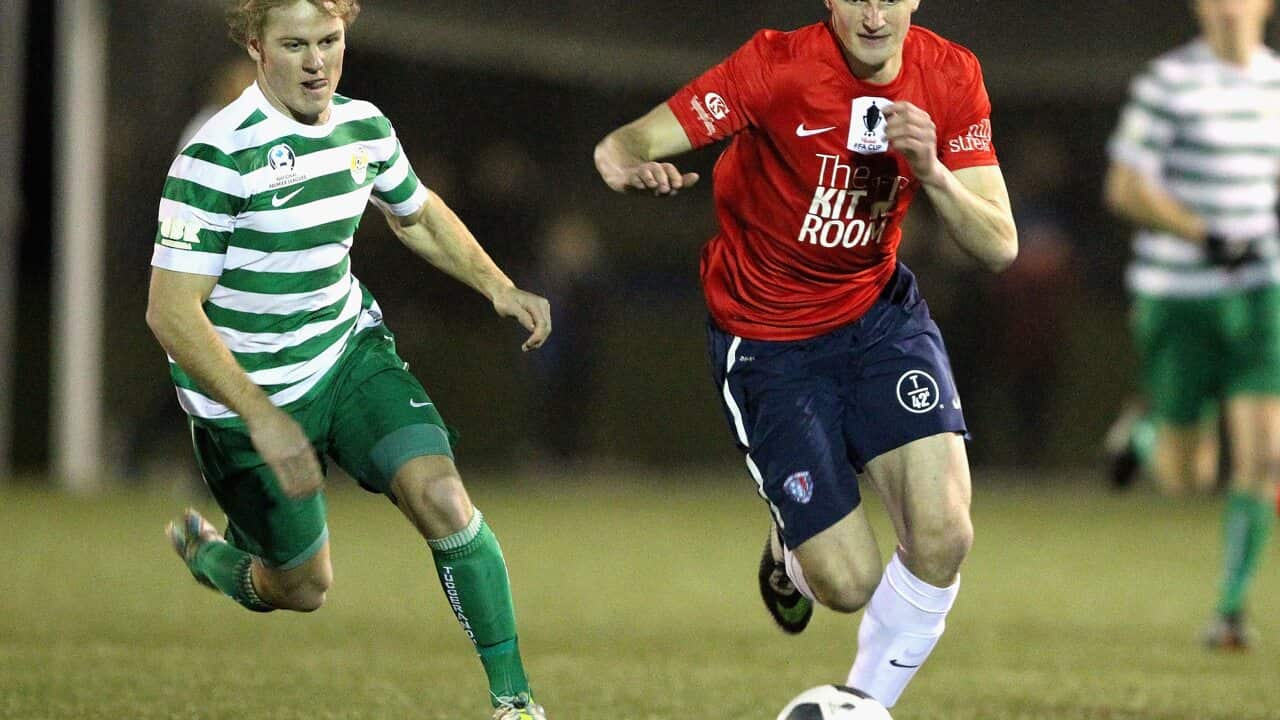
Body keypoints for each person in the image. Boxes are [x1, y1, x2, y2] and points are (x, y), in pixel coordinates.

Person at [594, 0, 1016, 710]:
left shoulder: (950, 75)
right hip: (768, 344)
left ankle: (863, 704)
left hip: (879, 320)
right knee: (847, 586)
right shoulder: (775, 66)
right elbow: (630, 140)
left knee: (944, 535)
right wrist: (627, 162)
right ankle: (789, 545)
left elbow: (1000, 244)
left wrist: (935, 172)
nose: (874, 13)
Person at [145, 2, 551, 717]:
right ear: (255, 46)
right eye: (295, 44)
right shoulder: (215, 155)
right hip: (245, 404)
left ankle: (515, 704)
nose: (317, 61)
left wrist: (497, 284)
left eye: (329, 41)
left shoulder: (364, 126)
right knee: (301, 588)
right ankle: (214, 557)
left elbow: (415, 212)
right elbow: (171, 312)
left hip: (347, 354)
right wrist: (263, 417)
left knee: (445, 500)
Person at [1102, 0, 1280, 650]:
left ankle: (1230, 612)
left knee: (1263, 459)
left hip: (1261, 293)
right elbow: (1124, 187)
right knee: (1188, 477)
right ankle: (1145, 437)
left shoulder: (1276, 83)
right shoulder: (1168, 83)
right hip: (1178, 295)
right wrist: (1204, 235)